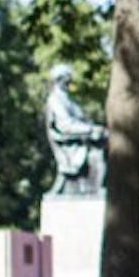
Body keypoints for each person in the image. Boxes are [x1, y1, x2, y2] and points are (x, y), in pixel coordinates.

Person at [44, 64, 106, 196]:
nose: (69, 83)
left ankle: (95, 189)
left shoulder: (66, 99)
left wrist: (93, 129)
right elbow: (65, 126)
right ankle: (93, 189)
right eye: (67, 80)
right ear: (60, 80)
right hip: (69, 144)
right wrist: (90, 130)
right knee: (98, 153)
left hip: (79, 137)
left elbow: (80, 119)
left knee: (108, 140)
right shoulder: (55, 100)